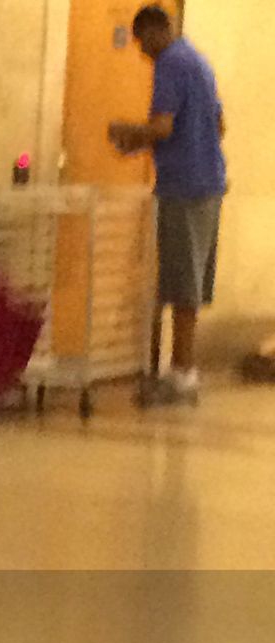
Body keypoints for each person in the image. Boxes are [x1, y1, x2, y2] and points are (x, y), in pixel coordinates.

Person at [109, 4, 226, 406]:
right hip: (209, 184)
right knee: (188, 279)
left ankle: (181, 375)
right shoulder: (199, 61)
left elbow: (162, 126)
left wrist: (127, 133)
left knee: (181, 283)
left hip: (184, 187)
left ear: (157, 31)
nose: (142, 51)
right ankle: (181, 370)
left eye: (142, 41)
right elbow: (220, 124)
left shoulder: (171, 63)